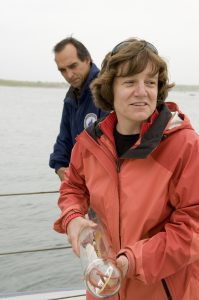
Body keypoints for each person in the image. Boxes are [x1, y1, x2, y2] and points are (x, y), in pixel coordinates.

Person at [53, 38, 199, 299]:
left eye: (150, 82)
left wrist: (133, 260)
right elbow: (72, 187)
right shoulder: (89, 144)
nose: (142, 91)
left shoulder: (186, 146)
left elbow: (194, 227)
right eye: (130, 82)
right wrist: (73, 217)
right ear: (110, 88)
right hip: (104, 287)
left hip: (164, 291)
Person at [49, 37, 107, 181]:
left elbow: (110, 147)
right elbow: (64, 137)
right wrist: (60, 166)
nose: (69, 75)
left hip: (103, 184)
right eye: (63, 70)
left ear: (87, 59)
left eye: (73, 66)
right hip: (80, 184)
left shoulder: (106, 90)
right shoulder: (71, 96)